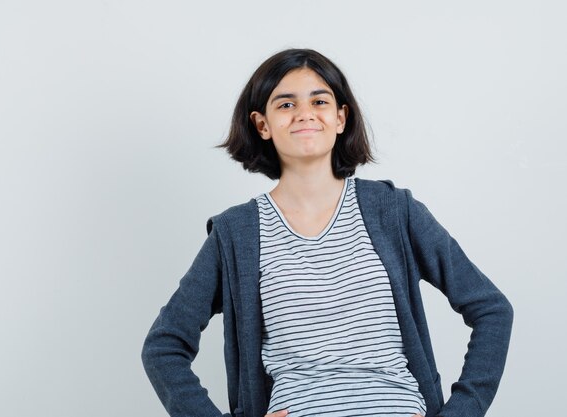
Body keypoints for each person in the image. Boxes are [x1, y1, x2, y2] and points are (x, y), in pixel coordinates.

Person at [141, 48, 513, 417]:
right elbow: (164, 346)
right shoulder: (236, 234)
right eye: (285, 105)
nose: (305, 113)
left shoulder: (394, 212)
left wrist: (462, 411)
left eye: (319, 101)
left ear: (340, 117)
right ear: (262, 125)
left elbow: (491, 309)